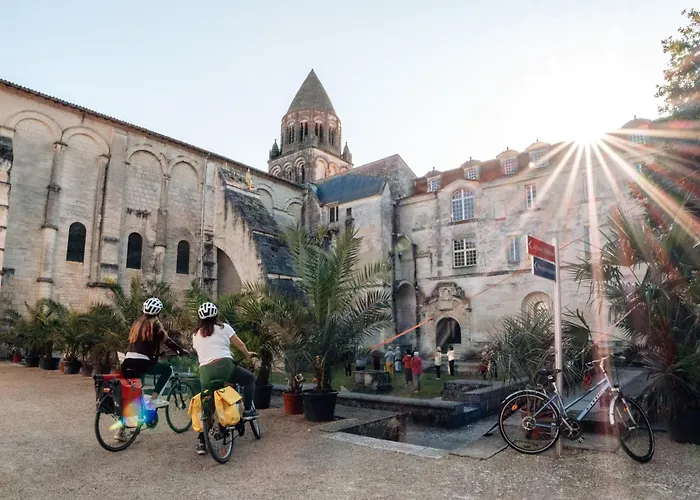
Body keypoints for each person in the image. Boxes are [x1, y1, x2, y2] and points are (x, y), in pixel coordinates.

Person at [192, 302, 258, 455]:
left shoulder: (195, 335)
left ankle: (202, 442)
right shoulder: (224, 328)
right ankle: (248, 410)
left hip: (205, 372)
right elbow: (239, 344)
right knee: (249, 379)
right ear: (216, 315)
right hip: (225, 367)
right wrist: (248, 355)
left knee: (207, 404)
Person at [119, 297, 187, 442]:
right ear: (158, 313)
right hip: (142, 363)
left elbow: (140, 345)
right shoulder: (155, 326)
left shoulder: (136, 324)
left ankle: (121, 431)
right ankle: (153, 400)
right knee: (167, 370)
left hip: (127, 361)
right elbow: (168, 341)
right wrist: (181, 351)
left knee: (133, 395)